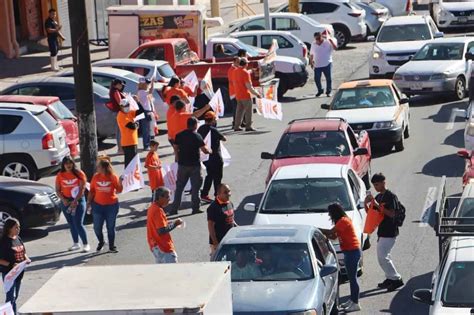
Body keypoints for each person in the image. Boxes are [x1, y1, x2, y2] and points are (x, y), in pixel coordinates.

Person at [365, 173, 404, 292]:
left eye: (377, 184)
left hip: (390, 230)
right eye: (374, 185)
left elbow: (392, 214)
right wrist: (366, 204)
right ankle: (389, 278)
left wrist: (377, 205)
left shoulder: (391, 196)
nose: (376, 187)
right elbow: (372, 213)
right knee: (381, 257)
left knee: (383, 256)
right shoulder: (378, 197)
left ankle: (396, 279)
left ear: (383, 182)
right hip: (382, 231)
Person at [321, 203, 362, 312]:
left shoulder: (343, 221)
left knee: (353, 279)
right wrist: (326, 237)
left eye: (330, 213)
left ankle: (355, 303)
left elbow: (330, 232)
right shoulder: (341, 221)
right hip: (349, 252)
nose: (329, 216)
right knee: (351, 277)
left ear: (334, 212)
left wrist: (317, 229)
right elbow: (334, 235)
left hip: (352, 252)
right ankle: (352, 300)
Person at [169, 117, 212, 215]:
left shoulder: (179, 135)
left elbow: (175, 147)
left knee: (179, 187)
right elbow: (205, 150)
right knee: (195, 188)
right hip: (194, 165)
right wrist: (210, 150)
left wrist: (177, 158)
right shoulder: (197, 136)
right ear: (195, 125)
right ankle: (195, 208)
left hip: (182, 165)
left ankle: (174, 209)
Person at [87, 159, 123, 253]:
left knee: (110, 227)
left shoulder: (112, 177)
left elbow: (119, 190)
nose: (97, 168)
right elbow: (92, 191)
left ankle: (111, 246)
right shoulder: (96, 177)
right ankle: (101, 241)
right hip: (98, 206)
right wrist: (88, 203)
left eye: (98, 166)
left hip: (111, 206)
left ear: (103, 168)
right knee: (97, 227)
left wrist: (120, 182)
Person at [55, 156, 89, 252]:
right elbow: (57, 190)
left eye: (70, 163)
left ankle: (86, 244)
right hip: (66, 201)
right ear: (63, 165)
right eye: (66, 163)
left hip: (78, 200)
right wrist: (63, 199)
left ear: (73, 163)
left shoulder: (79, 173)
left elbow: (82, 189)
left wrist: (75, 200)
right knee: (71, 223)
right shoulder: (60, 175)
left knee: (78, 223)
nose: (68, 165)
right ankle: (76, 243)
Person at [0, 218, 31, 314]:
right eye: (16, 227)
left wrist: (26, 259)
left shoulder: (18, 238)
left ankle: (14, 312)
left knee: (15, 297)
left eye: (19, 227)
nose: (18, 229)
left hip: (19, 272)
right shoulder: (4, 241)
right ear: (9, 228)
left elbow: (23, 252)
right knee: (10, 297)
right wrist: (11, 264)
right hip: (9, 274)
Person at [147, 187, 183, 263]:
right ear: (160, 197)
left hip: (155, 246)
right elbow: (162, 230)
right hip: (163, 247)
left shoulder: (152, 208)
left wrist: (171, 223)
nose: (169, 199)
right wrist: (175, 224)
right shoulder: (158, 210)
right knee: (172, 272)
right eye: (167, 197)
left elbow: (159, 224)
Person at [198, 111, 227, 202]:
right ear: (213, 120)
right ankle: (217, 195)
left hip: (206, 158)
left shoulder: (200, 129)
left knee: (209, 175)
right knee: (217, 177)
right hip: (215, 157)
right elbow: (224, 138)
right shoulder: (213, 130)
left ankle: (204, 194)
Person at [207, 184, 236, 257]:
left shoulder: (230, 204)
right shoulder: (213, 207)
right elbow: (211, 226)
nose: (228, 194)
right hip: (219, 242)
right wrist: (216, 243)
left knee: (231, 261)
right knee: (218, 265)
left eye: (229, 191)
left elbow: (231, 220)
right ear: (218, 194)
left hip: (229, 240)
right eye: (225, 192)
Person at [233, 58, 262, 132]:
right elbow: (249, 86)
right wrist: (257, 94)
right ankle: (248, 126)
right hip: (245, 95)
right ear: (245, 64)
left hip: (238, 94)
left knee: (239, 111)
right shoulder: (246, 73)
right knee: (248, 112)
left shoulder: (235, 71)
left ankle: (237, 126)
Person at [117, 98, 143, 168]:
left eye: (128, 105)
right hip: (128, 142)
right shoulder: (121, 116)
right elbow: (132, 126)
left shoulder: (129, 112)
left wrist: (138, 102)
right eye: (125, 106)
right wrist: (137, 123)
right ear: (121, 107)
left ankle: (131, 177)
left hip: (133, 141)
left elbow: (141, 113)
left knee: (133, 163)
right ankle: (127, 178)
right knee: (129, 164)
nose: (127, 107)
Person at [309, 32, 337, 97]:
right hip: (317, 65)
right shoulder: (313, 44)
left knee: (328, 78)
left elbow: (335, 48)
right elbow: (311, 54)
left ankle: (328, 91)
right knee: (317, 79)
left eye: (319, 38)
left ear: (321, 37)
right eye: (316, 39)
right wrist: (311, 62)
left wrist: (331, 42)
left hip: (327, 63)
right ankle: (320, 90)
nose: (318, 40)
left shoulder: (327, 42)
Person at [137, 77, 155, 150]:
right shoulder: (141, 92)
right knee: (146, 129)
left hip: (147, 111)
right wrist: (153, 83)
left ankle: (147, 144)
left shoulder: (142, 91)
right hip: (145, 111)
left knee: (148, 129)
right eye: (146, 83)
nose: (148, 85)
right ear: (142, 84)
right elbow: (151, 91)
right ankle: (146, 145)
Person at [109, 79, 126, 154]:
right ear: (116, 85)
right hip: (118, 113)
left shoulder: (114, 91)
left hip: (116, 112)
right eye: (120, 84)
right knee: (120, 132)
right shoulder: (116, 92)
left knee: (119, 131)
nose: (121, 86)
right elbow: (120, 103)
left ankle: (120, 148)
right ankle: (120, 149)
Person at [228, 57, 240, 125]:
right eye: (238, 62)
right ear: (234, 62)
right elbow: (232, 81)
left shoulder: (234, 69)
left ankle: (239, 122)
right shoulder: (233, 70)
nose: (239, 63)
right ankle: (235, 123)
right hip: (234, 92)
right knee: (236, 108)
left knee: (238, 108)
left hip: (235, 92)